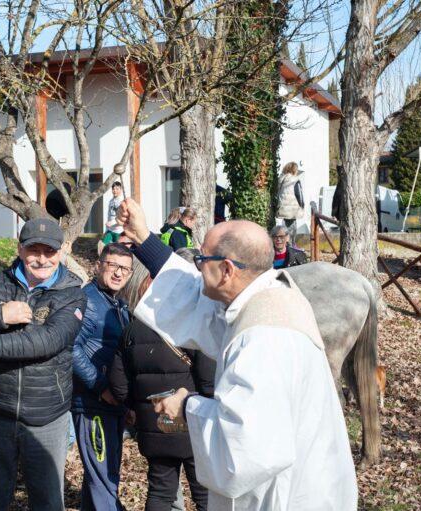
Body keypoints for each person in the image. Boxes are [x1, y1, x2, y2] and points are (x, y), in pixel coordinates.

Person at [115, 198, 357, 510]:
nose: (197, 267)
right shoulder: (264, 297)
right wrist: (143, 239)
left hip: (287, 495)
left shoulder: (264, 338)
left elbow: (244, 447)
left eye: (201, 259)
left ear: (227, 270)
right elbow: (191, 297)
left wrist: (187, 405)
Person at [0, 218, 86, 511]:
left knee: (48, 501)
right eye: (33, 250)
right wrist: (0, 315)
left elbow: (48, 342)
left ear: (62, 252)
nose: (41, 259)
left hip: (46, 415)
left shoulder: (73, 294)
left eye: (49, 251)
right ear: (19, 249)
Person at [110, 249, 214, 511]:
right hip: (192, 422)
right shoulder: (192, 323)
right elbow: (208, 381)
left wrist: (137, 405)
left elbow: (119, 385)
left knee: (159, 491)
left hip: (154, 422)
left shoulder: (132, 327)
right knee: (204, 495)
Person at [71, 243, 134, 510]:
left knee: (98, 478)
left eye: (125, 269)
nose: (118, 273)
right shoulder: (87, 300)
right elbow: (71, 348)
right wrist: (100, 387)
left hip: (113, 405)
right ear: (99, 266)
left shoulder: (118, 303)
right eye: (113, 266)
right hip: (93, 405)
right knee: (104, 480)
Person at [276, 161, 305, 241]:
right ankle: (291, 246)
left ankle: (284, 245)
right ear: (294, 170)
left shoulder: (281, 179)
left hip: (283, 208)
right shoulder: (295, 180)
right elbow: (299, 195)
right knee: (292, 229)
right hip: (293, 209)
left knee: (284, 227)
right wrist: (302, 206)